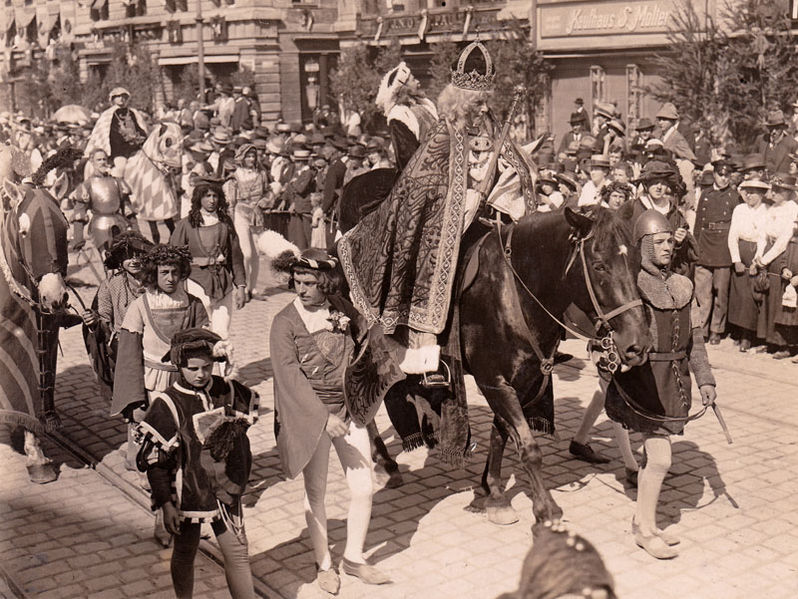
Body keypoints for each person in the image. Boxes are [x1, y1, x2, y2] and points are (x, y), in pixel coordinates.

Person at [338, 41, 535, 374]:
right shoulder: (444, 133)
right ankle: (422, 338)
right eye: (477, 102)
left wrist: (504, 177)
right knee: (428, 254)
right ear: (462, 101)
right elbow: (420, 180)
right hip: (444, 214)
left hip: (487, 210)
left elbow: (512, 163)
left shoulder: (490, 125)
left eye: (485, 101)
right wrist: (464, 197)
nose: (484, 108)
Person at [270, 249, 390, 594]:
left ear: (325, 283)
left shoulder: (341, 308)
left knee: (364, 486)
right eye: (297, 281)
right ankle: (323, 563)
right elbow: (288, 377)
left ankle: (353, 558)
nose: (301, 289)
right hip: (311, 417)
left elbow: (365, 341)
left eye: (309, 283)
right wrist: (323, 418)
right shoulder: (284, 322)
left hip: (349, 410)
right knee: (316, 491)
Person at [605, 210, 717, 560]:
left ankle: (645, 523)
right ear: (643, 245)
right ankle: (644, 530)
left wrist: (705, 379)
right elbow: (610, 335)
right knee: (660, 459)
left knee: (653, 459)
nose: (668, 247)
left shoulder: (683, 284)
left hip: (674, 382)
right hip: (643, 382)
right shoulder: (632, 286)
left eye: (670, 241)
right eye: (660, 242)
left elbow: (695, 340)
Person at [136, 328, 257, 599]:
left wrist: (232, 373)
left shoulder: (227, 390)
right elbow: (156, 464)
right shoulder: (168, 403)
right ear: (179, 366)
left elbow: (244, 428)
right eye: (193, 369)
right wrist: (166, 504)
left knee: (237, 552)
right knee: (185, 550)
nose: (201, 374)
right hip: (188, 493)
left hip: (226, 490)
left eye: (206, 367)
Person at [82, 232, 153, 407]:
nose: (134, 261)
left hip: (154, 343)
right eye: (128, 257)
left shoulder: (156, 281)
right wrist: (94, 320)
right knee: (134, 400)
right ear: (120, 261)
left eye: (138, 255)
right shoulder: (110, 285)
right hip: (124, 346)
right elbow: (104, 317)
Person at [171, 179, 247, 340]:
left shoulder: (225, 223)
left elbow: (236, 256)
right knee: (201, 331)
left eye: (215, 196)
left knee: (222, 332)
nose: (212, 200)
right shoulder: (186, 224)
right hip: (196, 281)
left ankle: (222, 356)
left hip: (222, 282)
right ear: (199, 198)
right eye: (207, 196)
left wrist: (241, 286)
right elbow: (174, 256)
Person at [692, 159, 740, 343]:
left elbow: (736, 226)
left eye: (727, 175)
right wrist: (695, 247)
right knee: (702, 292)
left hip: (723, 247)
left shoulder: (734, 196)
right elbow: (698, 223)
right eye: (721, 175)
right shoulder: (705, 194)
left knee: (721, 292)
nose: (724, 178)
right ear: (714, 175)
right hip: (705, 245)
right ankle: (701, 328)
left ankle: (716, 330)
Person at [755, 173, 798, 356]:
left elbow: (784, 240)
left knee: (779, 300)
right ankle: (768, 340)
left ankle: (783, 344)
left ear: (788, 192)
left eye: (778, 190)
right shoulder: (772, 208)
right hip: (768, 252)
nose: (774, 193)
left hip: (781, 256)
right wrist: (759, 254)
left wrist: (765, 260)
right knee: (767, 298)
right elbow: (763, 234)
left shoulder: (793, 209)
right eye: (774, 189)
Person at [66, 148, 136, 255]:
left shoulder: (116, 181)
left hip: (119, 224)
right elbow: (79, 212)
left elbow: (127, 207)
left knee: (126, 256)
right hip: (99, 225)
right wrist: (78, 239)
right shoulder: (87, 185)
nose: (102, 162)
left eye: (104, 159)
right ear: (92, 162)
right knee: (107, 258)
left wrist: (136, 230)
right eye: (99, 160)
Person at [727, 178, 769, 351]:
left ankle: (747, 335)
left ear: (761, 194)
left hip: (756, 253)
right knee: (738, 294)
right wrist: (736, 259)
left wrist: (757, 262)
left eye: (753, 192)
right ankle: (737, 330)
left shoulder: (767, 211)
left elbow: (764, 239)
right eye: (747, 192)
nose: (749, 195)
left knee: (751, 296)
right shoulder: (740, 209)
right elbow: (732, 235)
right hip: (741, 251)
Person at [375, 61, 438, 171]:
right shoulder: (398, 115)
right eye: (413, 80)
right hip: (422, 170)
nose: (418, 82)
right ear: (404, 88)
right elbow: (406, 155)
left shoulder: (425, 104)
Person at [227, 144, 267, 300]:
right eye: (248, 156)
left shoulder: (261, 174)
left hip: (257, 216)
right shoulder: (236, 176)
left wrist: (265, 201)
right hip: (240, 214)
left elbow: (269, 191)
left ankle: (253, 289)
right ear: (242, 158)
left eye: (253, 156)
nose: (251, 159)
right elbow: (231, 201)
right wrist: (229, 220)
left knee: (256, 253)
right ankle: (242, 287)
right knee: (246, 253)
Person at [85, 87, 147, 178]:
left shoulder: (133, 112)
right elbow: (111, 136)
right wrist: (128, 144)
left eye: (123, 96)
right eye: (118, 96)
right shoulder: (108, 115)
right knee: (121, 168)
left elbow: (140, 129)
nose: (121, 98)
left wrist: (140, 139)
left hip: (137, 149)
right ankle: (119, 186)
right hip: (119, 151)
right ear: (113, 99)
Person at [655, 103, 696, 190]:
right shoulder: (661, 136)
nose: (660, 122)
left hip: (672, 178)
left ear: (672, 121)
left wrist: (677, 162)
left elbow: (690, 158)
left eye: (664, 119)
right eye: (659, 119)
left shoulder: (677, 138)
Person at [755, 109, 798, 174]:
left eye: (777, 128)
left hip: (782, 179)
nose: (774, 131)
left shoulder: (793, 144)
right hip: (762, 179)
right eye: (771, 128)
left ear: (783, 127)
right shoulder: (761, 140)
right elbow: (752, 162)